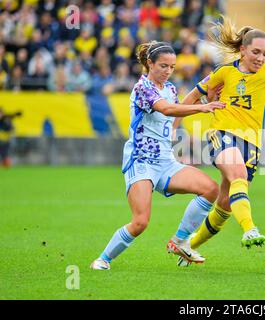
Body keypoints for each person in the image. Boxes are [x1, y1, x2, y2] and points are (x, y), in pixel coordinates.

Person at [177, 16, 265, 265]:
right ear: (243, 50)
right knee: (238, 175)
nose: (261, 58)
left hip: (252, 144)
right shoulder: (224, 72)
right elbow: (191, 97)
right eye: (256, 52)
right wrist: (174, 126)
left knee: (225, 205)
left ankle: (187, 247)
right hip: (221, 133)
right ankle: (250, 228)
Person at [90, 41, 225, 270]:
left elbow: (173, 114)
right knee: (140, 222)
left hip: (166, 161)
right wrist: (203, 107)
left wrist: (195, 107)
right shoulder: (143, 88)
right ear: (149, 64)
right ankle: (103, 259)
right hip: (141, 161)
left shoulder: (170, 88)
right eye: (163, 66)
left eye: (172, 67)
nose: (168, 71)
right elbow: (167, 109)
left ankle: (180, 241)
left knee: (211, 188)